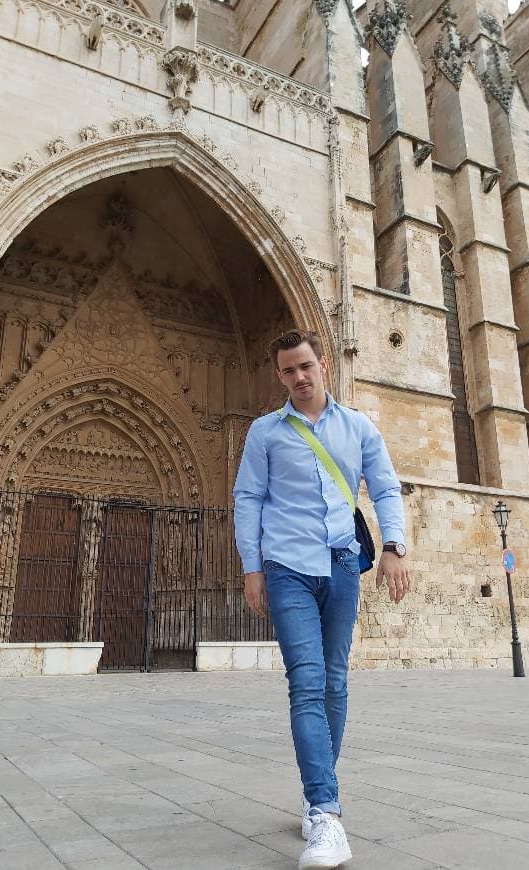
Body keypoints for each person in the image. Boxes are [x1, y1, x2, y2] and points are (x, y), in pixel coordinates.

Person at [233, 330, 410, 870]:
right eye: (288, 371)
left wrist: (396, 546)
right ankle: (326, 811)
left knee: (335, 681)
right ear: (279, 375)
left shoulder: (357, 427)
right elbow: (249, 497)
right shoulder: (265, 432)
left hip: (341, 566)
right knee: (306, 682)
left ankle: (317, 798)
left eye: (305, 366)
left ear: (324, 364)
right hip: (287, 568)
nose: (299, 377)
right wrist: (252, 568)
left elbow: (383, 486)